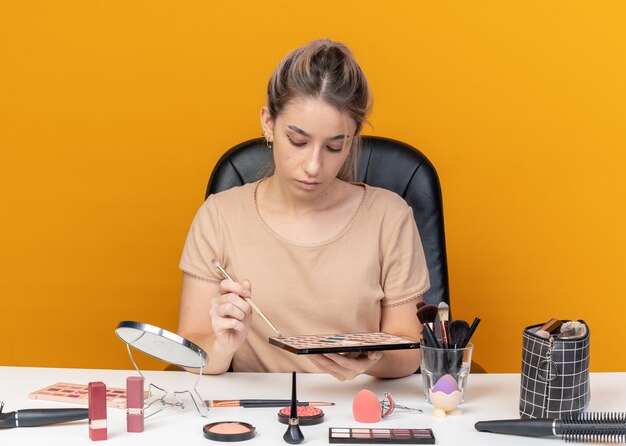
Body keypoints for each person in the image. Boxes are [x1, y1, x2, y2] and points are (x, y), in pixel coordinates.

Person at [177, 39, 430, 380]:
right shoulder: (219, 216)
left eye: (334, 147)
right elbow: (192, 350)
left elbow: (409, 352)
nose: (313, 166)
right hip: (258, 416)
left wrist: (370, 361)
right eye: (298, 141)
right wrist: (223, 344)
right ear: (268, 123)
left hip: (357, 412)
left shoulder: (390, 216)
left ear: (353, 139)